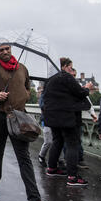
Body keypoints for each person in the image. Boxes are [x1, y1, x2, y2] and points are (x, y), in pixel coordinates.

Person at [0, 40, 57, 201]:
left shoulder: (22, 68)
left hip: (18, 117)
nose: (5, 51)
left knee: (24, 158)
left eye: (7, 48)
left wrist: (25, 95)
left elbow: (27, 88)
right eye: (1, 49)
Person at [42, 57, 90, 187]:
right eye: (70, 67)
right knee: (72, 144)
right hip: (67, 116)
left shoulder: (50, 80)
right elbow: (80, 93)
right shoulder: (66, 77)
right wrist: (87, 88)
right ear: (63, 66)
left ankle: (52, 168)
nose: (71, 69)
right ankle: (72, 177)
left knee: (57, 141)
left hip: (52, 116)